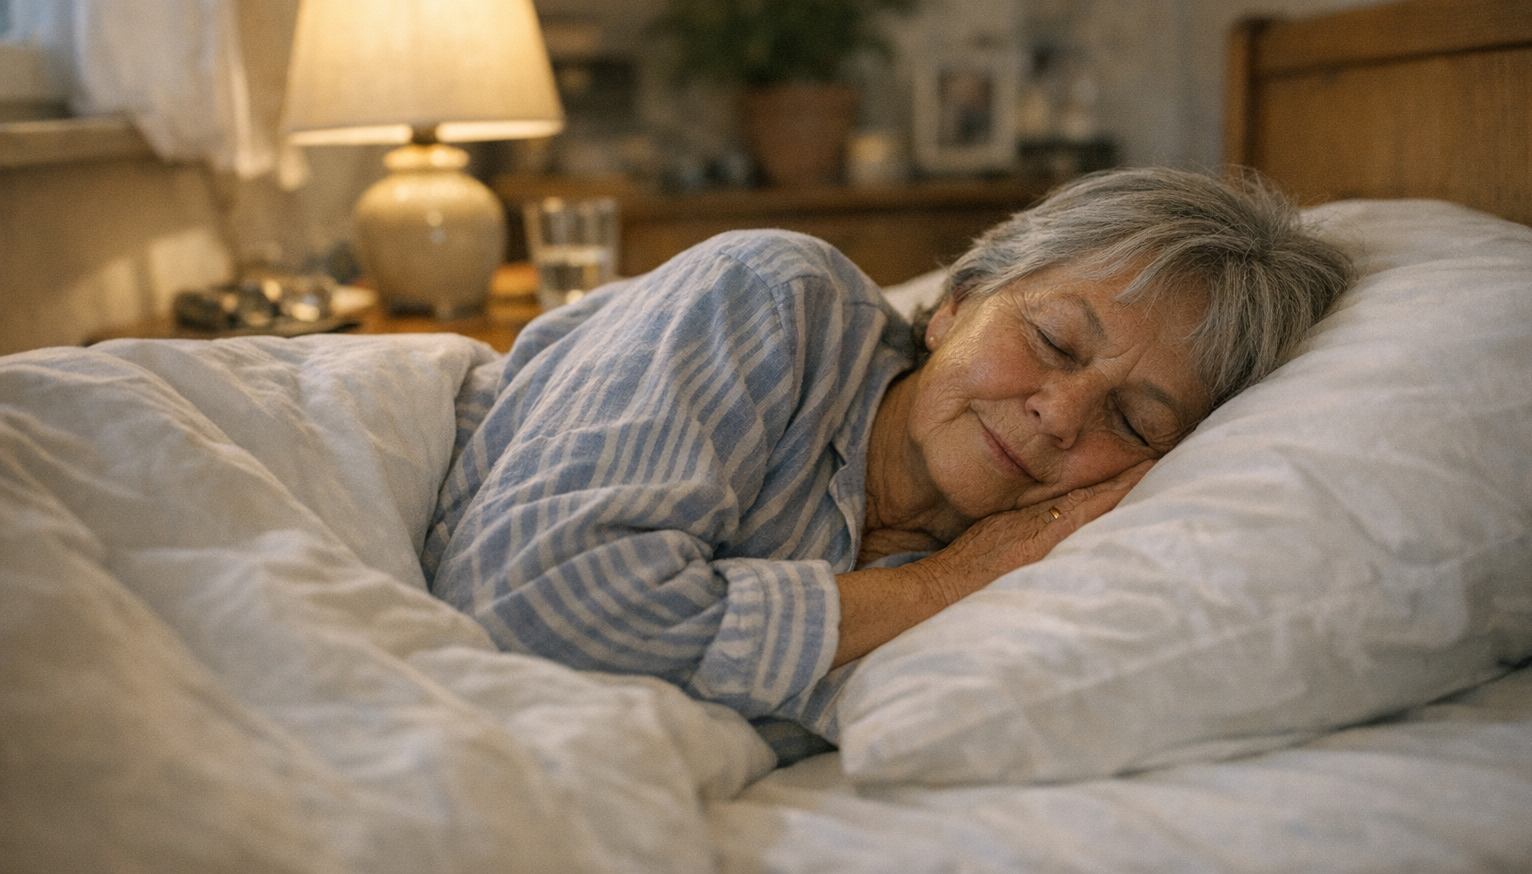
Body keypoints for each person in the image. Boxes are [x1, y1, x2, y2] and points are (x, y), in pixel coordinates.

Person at [423, 167, 1353, 756]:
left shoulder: (1062, 577)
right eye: (1057, 342)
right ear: (957, 301)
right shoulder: (775, 296)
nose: (1060, 414)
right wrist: (937, 587)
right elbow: (529, 599)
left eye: (1136, 423)